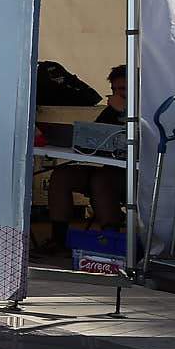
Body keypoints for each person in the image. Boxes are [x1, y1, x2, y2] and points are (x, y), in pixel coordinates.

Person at [44, 65, 128, 252]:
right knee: (62, 175)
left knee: (101, 180)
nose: (116, 95)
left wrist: (126, 112)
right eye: (114, 90)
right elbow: (95, 135)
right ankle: (59, 239)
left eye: (122, 90)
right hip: (110, 169)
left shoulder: (149, 108)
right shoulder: (112, 109)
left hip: (137, 178)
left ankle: (110, 240)